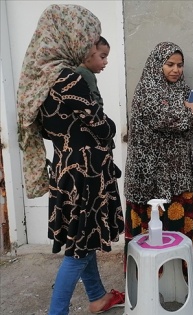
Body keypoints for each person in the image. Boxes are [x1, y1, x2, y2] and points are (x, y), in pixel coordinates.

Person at [16, 5, 125, 314]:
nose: (93, 47)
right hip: (85, 175)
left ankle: (97, 297)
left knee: (83, 237)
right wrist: (110, 127)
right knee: (78, 249)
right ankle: (57, 311)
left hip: (66, 169)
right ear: (69, 37)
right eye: (91, 41)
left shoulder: (41, 80)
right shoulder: (70, 80)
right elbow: (101, 126)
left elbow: (53, 129)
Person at [124, 42, 193, 280]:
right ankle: (150, 275)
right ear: (157, 64)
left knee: (180, 217)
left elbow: (190, 126)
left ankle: (183, 269)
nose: (176, 70)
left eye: (180, 65)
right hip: (150, 171)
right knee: (153, 221)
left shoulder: (183, 91)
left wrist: (186, 115)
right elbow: (164, 120)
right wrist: (187, 114)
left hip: (177, 167)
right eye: (170, 64)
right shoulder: (147, 90)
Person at [75, 36, 110, 107]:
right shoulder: (85, 74)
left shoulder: (80, 71)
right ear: (89, 53)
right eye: (102, 57)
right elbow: (94, 100)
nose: (106, 62)